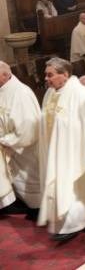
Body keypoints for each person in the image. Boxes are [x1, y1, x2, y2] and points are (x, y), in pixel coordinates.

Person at [38, 58, 85, 241]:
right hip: (54, 150)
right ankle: (71, 222)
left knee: (74, 188)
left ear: (65, 74)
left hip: (74, 151)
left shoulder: (81, 94)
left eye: (50, 75)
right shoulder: (50, 93)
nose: (46, 79)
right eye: (46, 75)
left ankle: (74, 223)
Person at [0, 61, 41, 214]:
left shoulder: (20, 93)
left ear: (5, 75)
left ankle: (38, 208)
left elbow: (27, 130)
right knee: (17, 181)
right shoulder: (3, 90)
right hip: (9, 146)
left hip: (24, 149)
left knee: (31, 180)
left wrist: (5, 141)